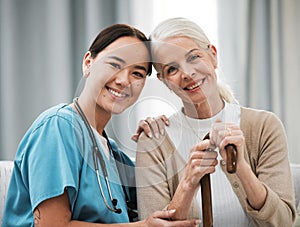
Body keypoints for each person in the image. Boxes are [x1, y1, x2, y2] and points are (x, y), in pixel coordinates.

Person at [2, 24, 200, 227]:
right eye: (115, 64)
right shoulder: (57, 127)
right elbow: (52, 225)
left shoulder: (113, 154)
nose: (124, 80)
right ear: (88, 63)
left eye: (137, 74)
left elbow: (158, 200)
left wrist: (157, 136)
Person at [134, 17, 296, 226]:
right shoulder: (153, 140)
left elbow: (283, 221)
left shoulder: (264, 126)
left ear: (213, 55)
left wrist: (241, 168)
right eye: (172, 69)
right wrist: (188, 182)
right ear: (164, 81)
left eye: (193, 58)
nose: (188, 73)